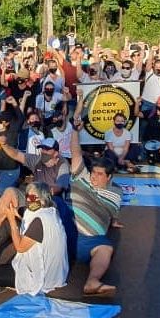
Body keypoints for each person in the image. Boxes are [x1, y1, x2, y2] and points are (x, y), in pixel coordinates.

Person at [0, 182, 69, 295]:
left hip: (46, 277)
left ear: (42, 198)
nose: (28, 201)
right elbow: (16, 210)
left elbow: (20, 248)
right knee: (7, 223)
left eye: (32, 197)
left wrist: (12, 220)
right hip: (56, 268)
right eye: (27, 197)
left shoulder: (39, 222)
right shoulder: (50, 207)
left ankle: (6, 277)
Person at [68, 127, 122, 296]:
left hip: (93, 242)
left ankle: (92, 282)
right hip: (69, 235)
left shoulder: (116, 193)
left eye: (99, 174)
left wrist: (113, 221)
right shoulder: (80, 177)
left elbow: (109, 210)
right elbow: (76, 153)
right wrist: (75, 130)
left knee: (106, 249)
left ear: (109, 177)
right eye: (93, 172)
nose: (93, 176)